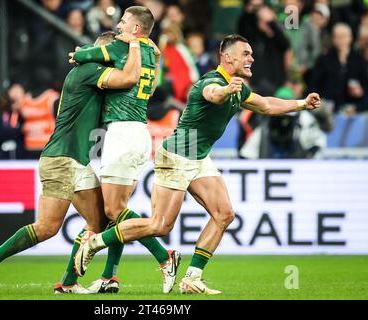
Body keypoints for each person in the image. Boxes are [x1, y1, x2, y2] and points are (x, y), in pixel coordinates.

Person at [74, 34, 321, 295]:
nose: (251, 58)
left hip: (198, 155)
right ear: (228, 58)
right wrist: (226, 91)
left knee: (224, 214)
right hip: (180, 153)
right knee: (160, 225)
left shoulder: (238, 88)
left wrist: (302, 104)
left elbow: (267, 105)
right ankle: (96, 242)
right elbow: (212, 94)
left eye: (251, 53)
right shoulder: (214, 82)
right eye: (246, 53)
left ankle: (192, 277)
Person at [0, 31, 144, 296]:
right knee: (48, 228)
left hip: (78, 160)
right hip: (61, 159)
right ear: (104, 52)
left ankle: (70, 282)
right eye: (115, 52)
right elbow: (131, 78)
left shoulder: (92, 73)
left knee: (104, 221)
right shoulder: (89, 70)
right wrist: (134, 44)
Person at [68, 6, 180, 294]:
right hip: (139, 133)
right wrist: (156, 56)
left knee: (113, 210)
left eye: (123, 22)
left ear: (136, 29)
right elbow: (150, 89)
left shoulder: (125, 48)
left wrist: (79, 54)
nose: (118, 25)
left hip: (122, 132)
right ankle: (109, 276)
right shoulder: (147, 54)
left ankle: (163, 256)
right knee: (114, 213)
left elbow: (92, 56)